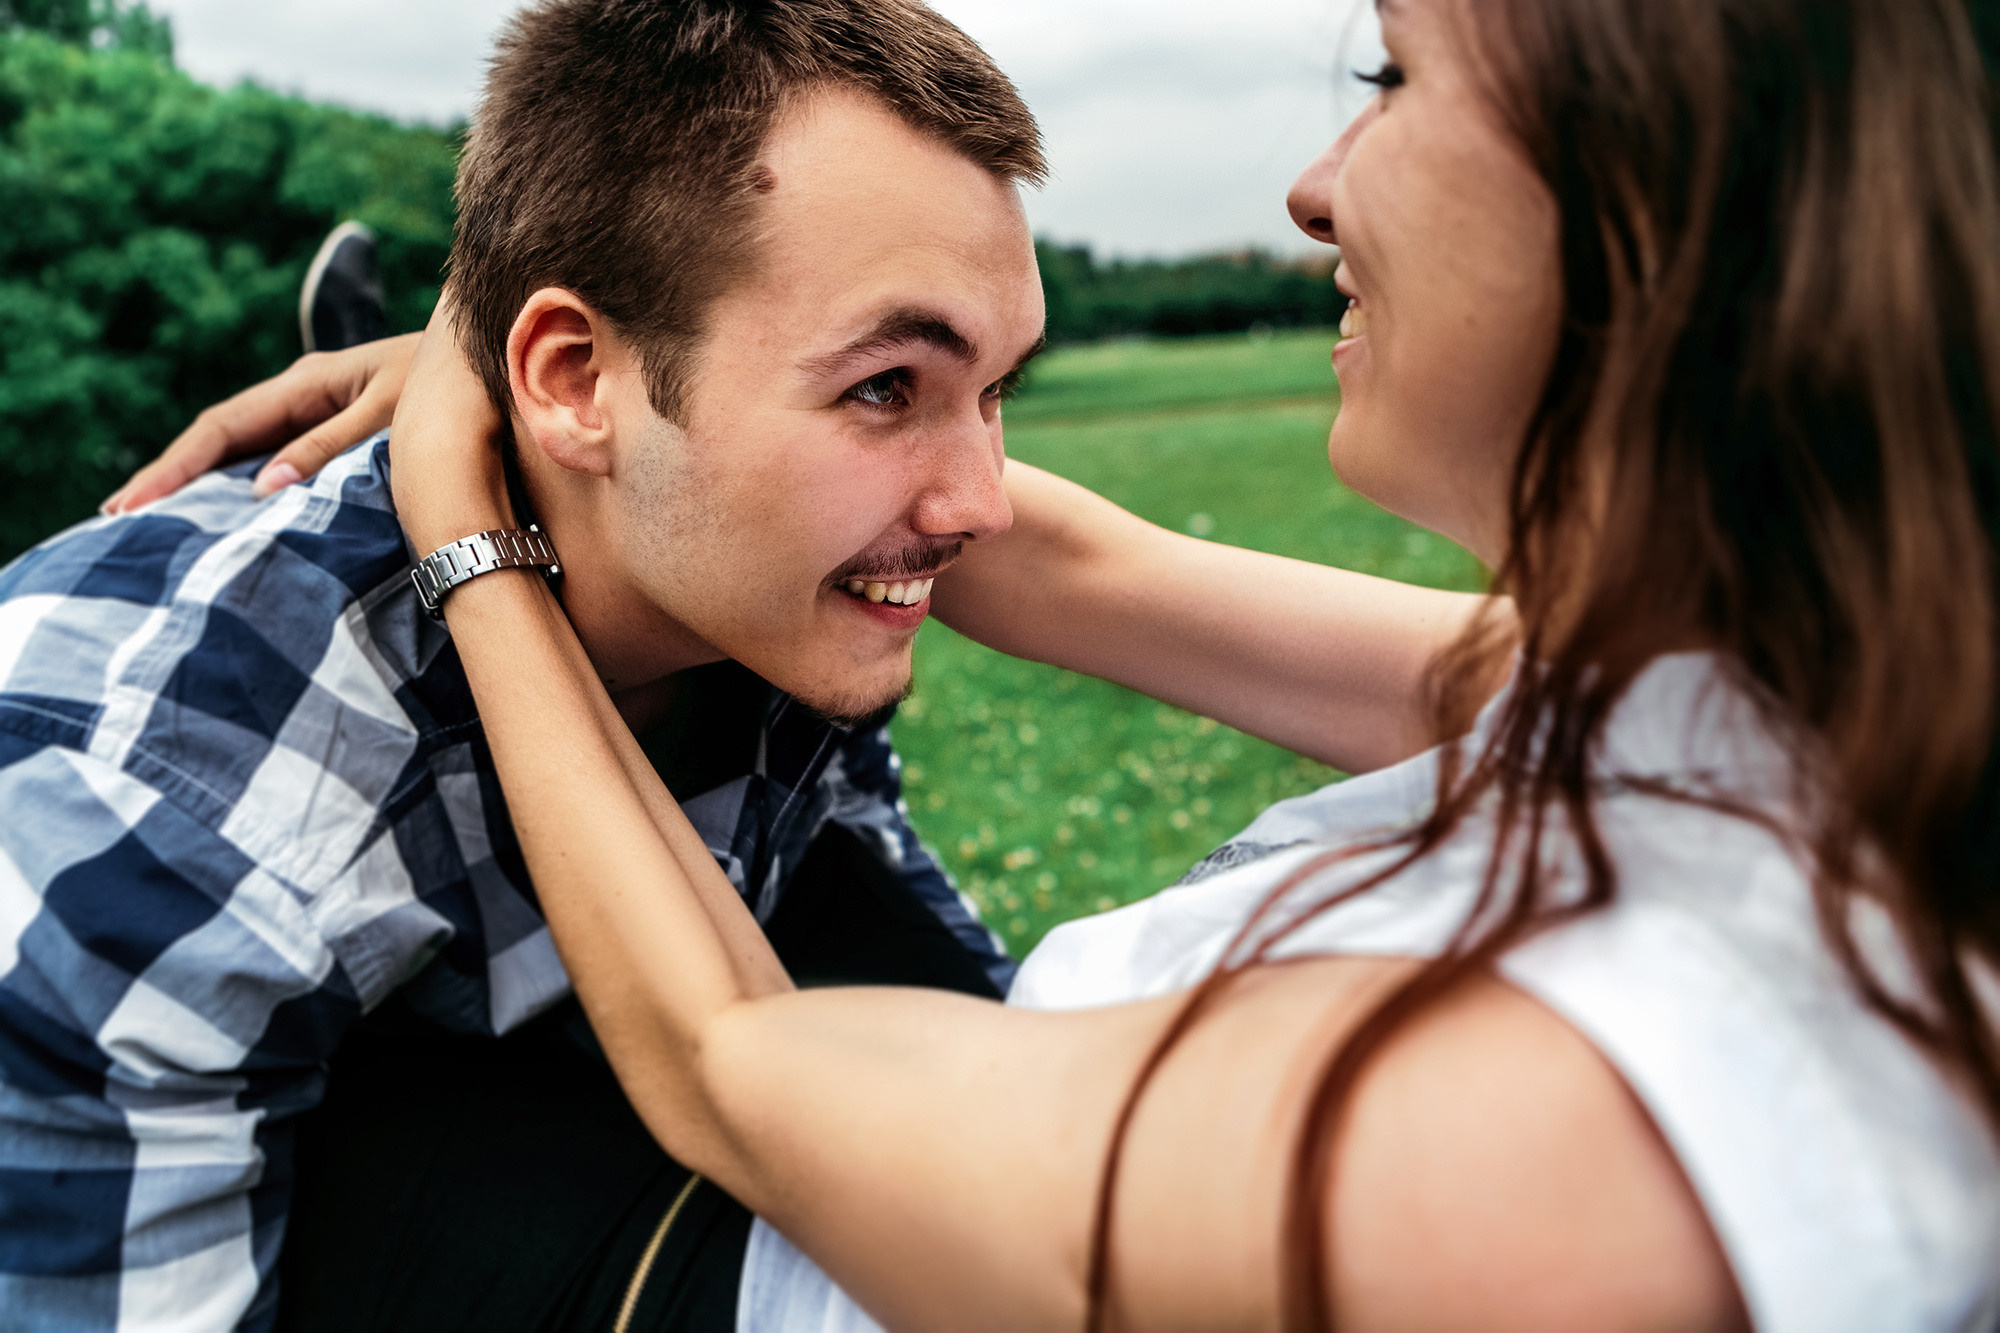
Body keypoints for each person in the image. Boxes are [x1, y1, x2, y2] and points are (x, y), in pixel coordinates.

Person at [224, 0, 2000, 1326]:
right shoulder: (1807, 717)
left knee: (382, 1106)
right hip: (1002, 1082)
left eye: (1391, 75)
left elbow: (723, 1060)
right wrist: (587, 357)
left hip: (785, 1245)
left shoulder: (1552, 1161)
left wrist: (470, 516)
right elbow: (1082, 566)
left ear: (1652, 207)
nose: (1315, 187)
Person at [0, 2, 1084, 1328]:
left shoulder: (763, 590)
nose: (985, 505)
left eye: (995, 390)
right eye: (886, 388)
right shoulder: (171, 819)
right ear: (572, 379)